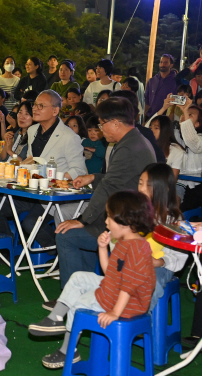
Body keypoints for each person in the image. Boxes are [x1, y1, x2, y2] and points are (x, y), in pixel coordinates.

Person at [29, 190, 156, 369]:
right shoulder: (125, 242)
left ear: (126, 222)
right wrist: (102, 248)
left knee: (78, 306)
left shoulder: (136, 249)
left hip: (127, 303)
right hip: (116, 290)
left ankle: (68, 351)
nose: (105, 221)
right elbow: (110, 272)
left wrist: (115, 313)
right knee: (78, 277)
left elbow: (128, 286)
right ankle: (56, 318)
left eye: (110, 217)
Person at [53, 97, 156, 310]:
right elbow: (118, 178)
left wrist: (83, 220)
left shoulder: (128, 148)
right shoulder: (134, 141)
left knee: (67, 235)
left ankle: (72, 301)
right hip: (126, 212)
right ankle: (87, 293)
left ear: (116, 123)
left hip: (128, 222)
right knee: (73, 232)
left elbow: (110, 187)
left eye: (102, 124)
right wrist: (93, 177)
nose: (100, 129)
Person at [0, 90, 86, 249]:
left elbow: (79, 170)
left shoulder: (69, 136)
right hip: (31, 191)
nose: (35, 109)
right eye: (35, 105)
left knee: (31, 222)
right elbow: (33, 160)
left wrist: (55, 178)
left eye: (41, 106)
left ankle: (57, 251)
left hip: (54, 196)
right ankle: (8, 248)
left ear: (55, 110)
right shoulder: (32, 131)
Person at [137, 163, 188, 311]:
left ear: (164, 188)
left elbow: (179, 256)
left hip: (161, 266)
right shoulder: (134, 210)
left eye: (149, 185)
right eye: (140, 183)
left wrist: (159, 262)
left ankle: (143, 325)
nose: (142, 189)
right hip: (133, 261)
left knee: (150, 282)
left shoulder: (173, 219)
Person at [172, 98, 202, 212]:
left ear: (198, 123)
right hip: (178, 181)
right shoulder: (175, 134)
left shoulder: (200, 138)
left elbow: (193, 142)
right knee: (170, 208)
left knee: (185, 211)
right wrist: (164, 108)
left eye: (190, 115)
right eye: (184, 114)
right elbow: (152, 131)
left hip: (197, 184)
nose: (184, 116)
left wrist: (184, 111)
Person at [149, 116, 185, 189]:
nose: (152, 131)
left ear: (165, 130)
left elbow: (172, 180)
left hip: (167, 187)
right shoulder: (146, 146)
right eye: (150, 128)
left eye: (156, 128)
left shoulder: (176, 151)